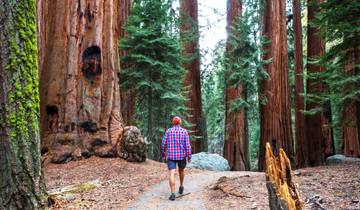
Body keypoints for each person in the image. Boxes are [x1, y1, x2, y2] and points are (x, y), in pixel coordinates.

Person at [161, 116, 192, 201]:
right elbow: (187, 145)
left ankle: (172, 193)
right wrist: (189, 156)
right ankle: (181, 186)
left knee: (172, 173)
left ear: (173, 123)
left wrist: (163, 154)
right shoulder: (184, 131)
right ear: (180, 122)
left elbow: (163, 144)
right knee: (181, 170)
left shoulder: (168, 131)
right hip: (181, 156)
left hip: (171, 156)